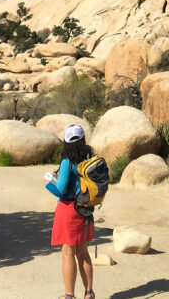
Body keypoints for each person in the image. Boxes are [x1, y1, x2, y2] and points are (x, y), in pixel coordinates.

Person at [45, 124, 95, 299]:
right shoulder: (91, 157)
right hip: (85, 209)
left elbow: (60, 190)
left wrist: (48, 183)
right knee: (83, 252)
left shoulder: (67, 162)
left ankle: (69, 296)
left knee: (68, 254)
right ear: (83, 140)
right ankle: (89, 294)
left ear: (66, 142)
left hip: (68, 210)